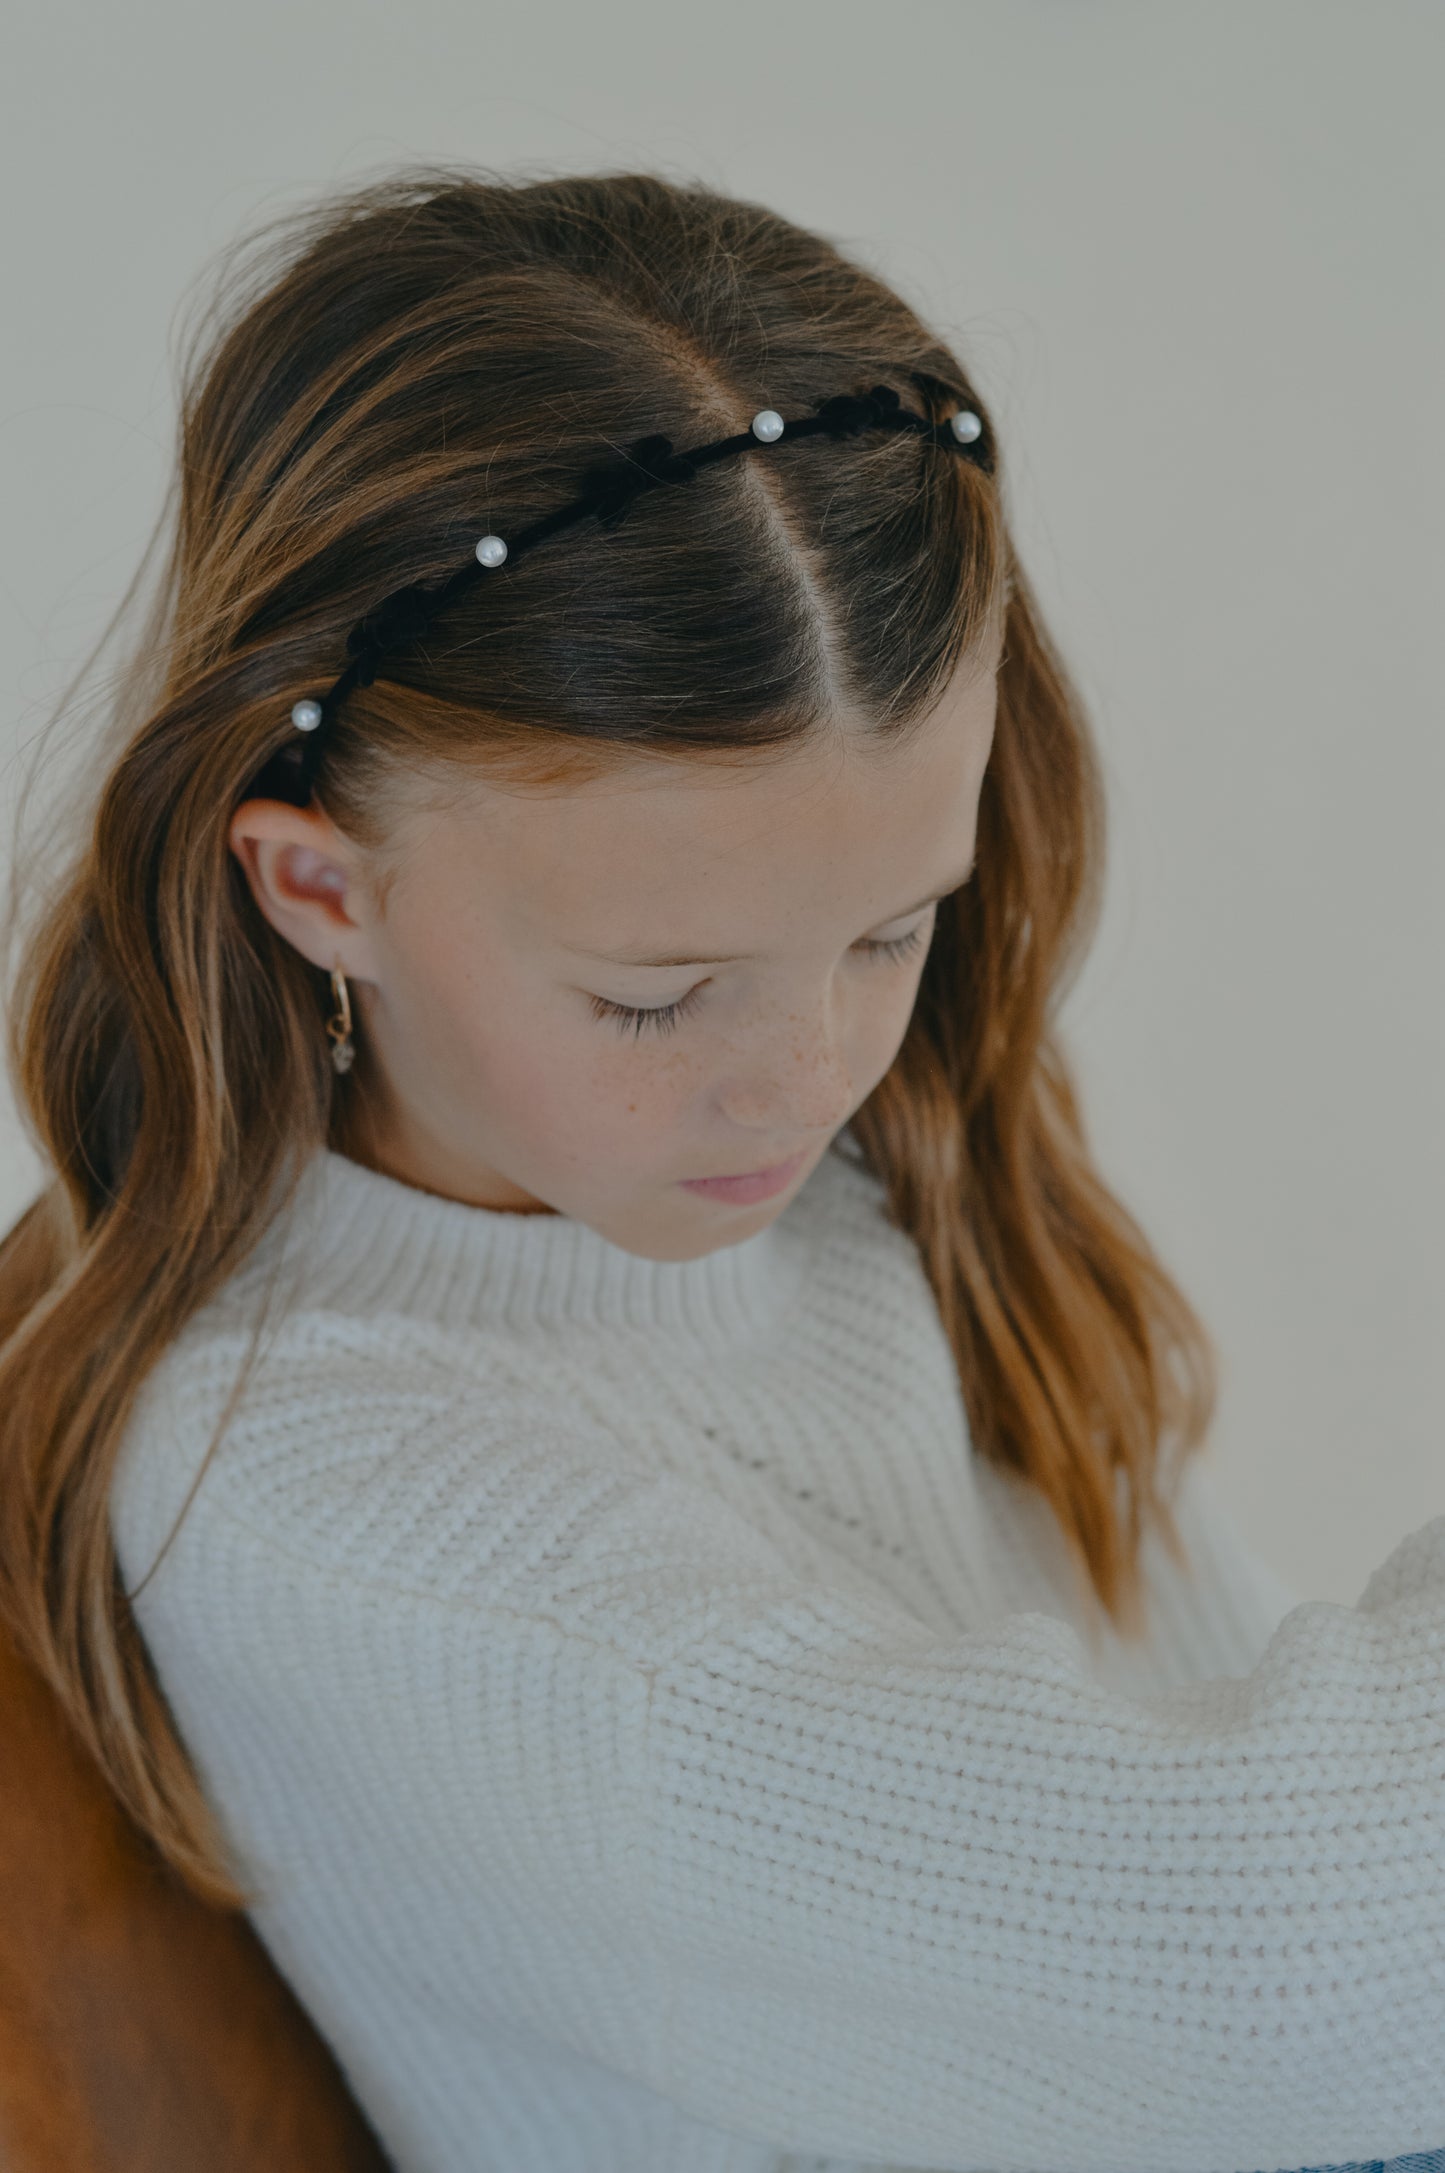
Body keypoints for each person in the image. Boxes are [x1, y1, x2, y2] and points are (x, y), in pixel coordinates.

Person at [0, 163, 1439, 2173]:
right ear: (322, 885)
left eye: (889, 930)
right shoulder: (346, 1498)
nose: (810, 1074)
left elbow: (1243, 1746)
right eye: (656, 994)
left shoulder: (844, 1187)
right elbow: (1301, 1967)